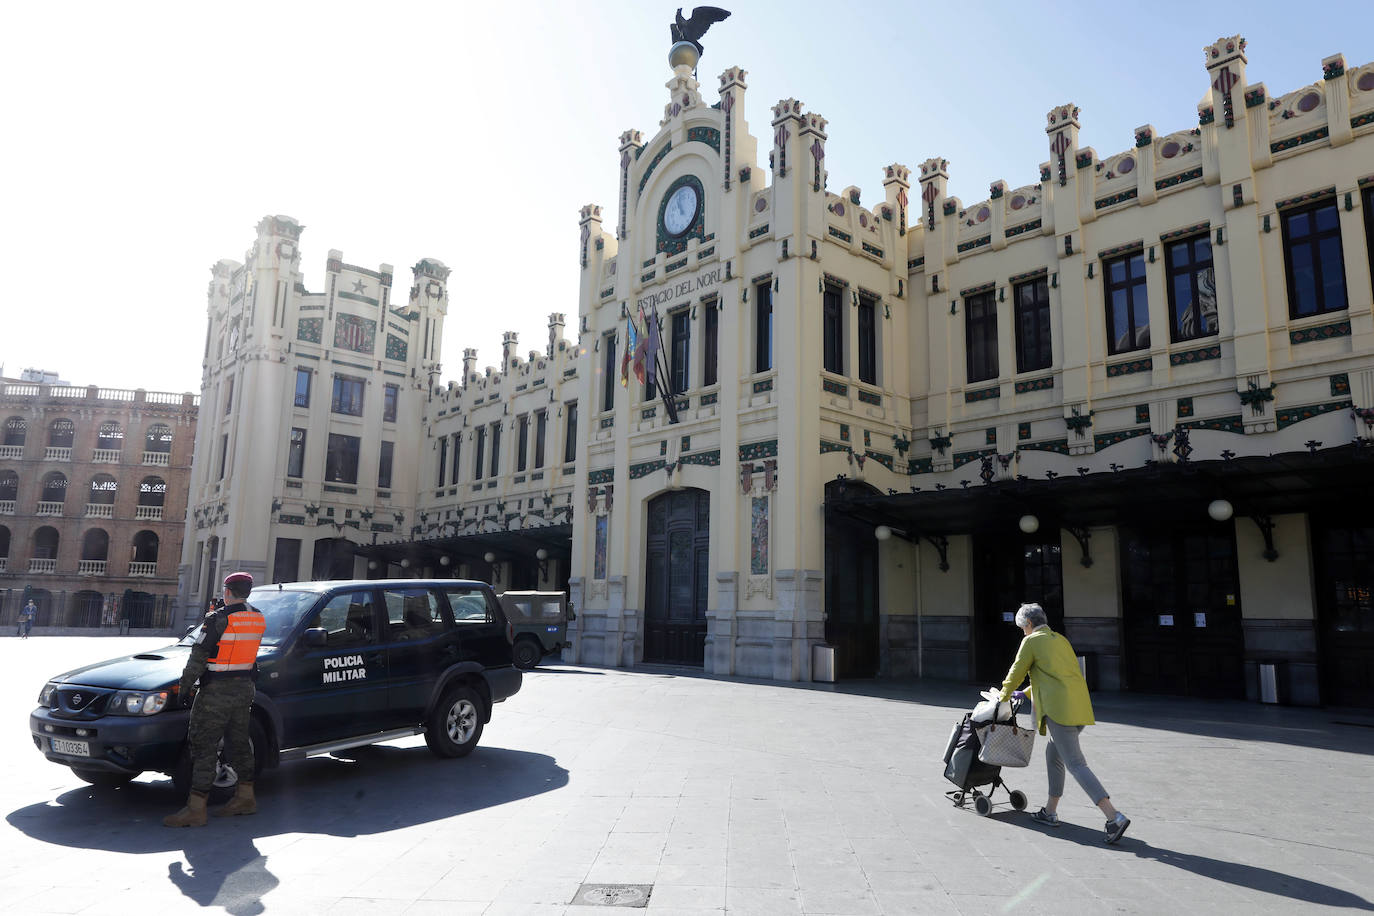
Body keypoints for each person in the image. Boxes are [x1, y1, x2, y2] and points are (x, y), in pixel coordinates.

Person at [997, 602, 1130, 844]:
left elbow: (1017, 671)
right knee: (1053, 755)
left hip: (1059, 711)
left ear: (1028, 624)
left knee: (1076, 764)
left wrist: (1002, 696)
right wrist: (1025, 694)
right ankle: (1049, 811)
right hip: (1078, 707)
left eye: (1022, 627)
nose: (1022, 632)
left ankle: (1114, 817)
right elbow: (1055, 674)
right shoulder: (1060, 639)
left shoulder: (1031, 641)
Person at [164, 572, 266, 828]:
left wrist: (184, 688)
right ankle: (246, 797)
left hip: (215, 693)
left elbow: (197, 658)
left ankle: (196, 809)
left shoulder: (217, 619)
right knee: (240, 743)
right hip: (244, 689)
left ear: (228, 591)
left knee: (203, 746)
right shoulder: (258, 617)